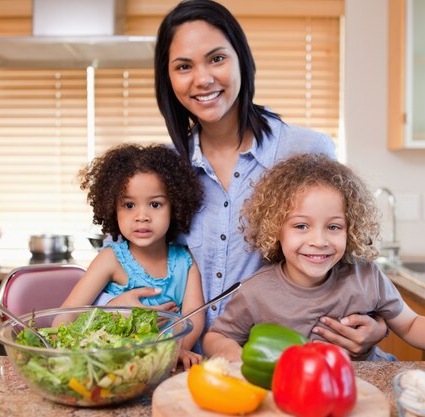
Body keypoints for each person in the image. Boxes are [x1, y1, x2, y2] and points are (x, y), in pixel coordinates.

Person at [108, 0, 388, 358]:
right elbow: (120, 256)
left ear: (242, 59)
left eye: (217, 58)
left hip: (282, 366)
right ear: (168, 78)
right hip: (189, 366)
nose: (203, 78)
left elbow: (343, 259)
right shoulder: (159, 168)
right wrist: (114, 304)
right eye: (183, 66)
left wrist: (377, 325)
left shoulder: (306, 149)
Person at [203, 154, 425, 379]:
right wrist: (238, 357)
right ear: (276, 230)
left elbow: (410, 325)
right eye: (301, 226)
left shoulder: (366, 275)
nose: (319, 241)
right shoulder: (257, 291)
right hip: (293, 394)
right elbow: (216, 338)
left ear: (350, 228)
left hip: (368, 384)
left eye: (333, 227)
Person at [58, 143, 205, 369]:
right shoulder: (111, 259)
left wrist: (179, 349)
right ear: (112, 209)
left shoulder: (185, 261)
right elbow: (64, 320)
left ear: (175, 207)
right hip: (110, 368)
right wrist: (115, 312)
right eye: (129, 205)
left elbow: (193, 318)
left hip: (159, 370)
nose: (142, 216)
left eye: (155, 204)